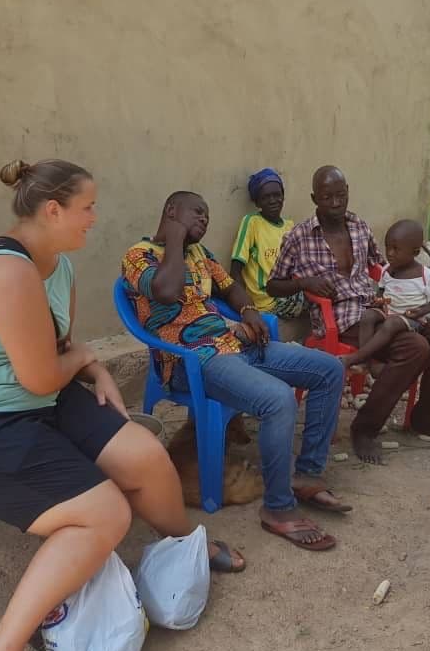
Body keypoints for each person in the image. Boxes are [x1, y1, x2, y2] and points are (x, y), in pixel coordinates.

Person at [0, 160, 244, 651]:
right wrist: (88, 359)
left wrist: (94, 369)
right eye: (87, 207)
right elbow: (43, 372)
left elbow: (56, 348)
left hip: (34, 398)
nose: (95, 217)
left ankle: (185, 544)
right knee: (106, 515)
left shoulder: (55, 265)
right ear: (52, 210)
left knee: (144, 455)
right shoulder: (7, 270)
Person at [121, 190, 349, 552]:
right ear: (171, 210)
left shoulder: (200, 254)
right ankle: (278, 509)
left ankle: (306, 474)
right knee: (278, 400)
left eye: (207, 216)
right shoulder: (139, 256)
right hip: (194, 361)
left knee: (329, 369)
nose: (204, 220)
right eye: (197, 212)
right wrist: (177, 237)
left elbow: (230, 288)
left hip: (238, 345)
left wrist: (248, 312)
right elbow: (165, 290)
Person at [267, 166, 430, 465]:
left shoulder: (358, 225)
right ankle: (364, 429)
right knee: (415, 347)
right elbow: (273, 286)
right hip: (341, 318)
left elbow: (380, 265)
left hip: (380, 309)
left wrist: (412, 284)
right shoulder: (298, 236)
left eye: (341, 195)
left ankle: (424, 418)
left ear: (348, 192)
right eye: (327, 197)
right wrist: (304, 282)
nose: (335, 203)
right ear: (314, 198)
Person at [340, 219, 430, 376]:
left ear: (415, 252)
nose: (389, 253)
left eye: (396, 249)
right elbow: (382, 290)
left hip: (412, 318)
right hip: (389, 311)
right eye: (388, 247)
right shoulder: (387, 270)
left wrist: (421, 311)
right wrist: (378, 300)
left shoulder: (425, 276)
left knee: (391, 323)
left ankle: (357, 357)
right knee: (367, 315)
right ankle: (368, 361)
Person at [229, 168, 306, 319]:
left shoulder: (289, 226)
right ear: (257, 202)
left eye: (277, 195)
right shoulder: (252, 222)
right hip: (266, 300)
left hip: (287, 292)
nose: (272, 201)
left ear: (283, 196)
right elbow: (236, 268)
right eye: (266, 197)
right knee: (316, 293)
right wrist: (247, 306)